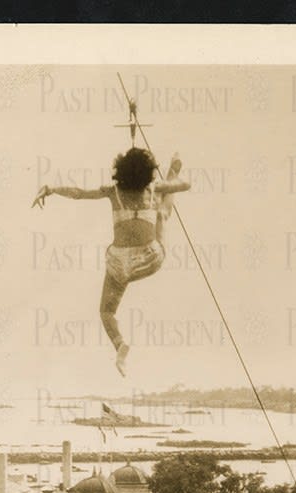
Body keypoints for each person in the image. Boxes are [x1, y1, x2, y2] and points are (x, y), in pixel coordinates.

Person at [32, 147, 191, 375]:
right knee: (163, 214)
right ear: (148, 173)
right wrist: (170, 176)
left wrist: (51, 189)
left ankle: (119, 345)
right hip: (149, 258)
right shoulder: (153, 188)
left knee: (107, 312)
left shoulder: (112, 191)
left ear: (120, 171)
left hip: (119, 262)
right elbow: (186, 185)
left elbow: (79, 192)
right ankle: (174, 168)